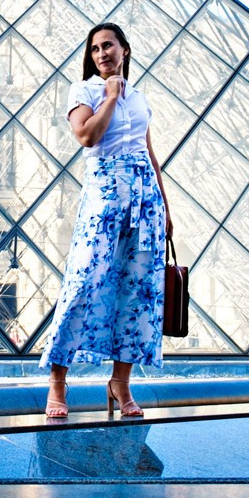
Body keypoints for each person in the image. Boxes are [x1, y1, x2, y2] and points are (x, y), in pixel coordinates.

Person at [38, 22, 173, 419]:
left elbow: (149, 154)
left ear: (125, 49)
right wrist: (110, 98)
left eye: (108, 46)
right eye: (95, 49)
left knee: (137, 293)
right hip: (104, 195)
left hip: (145, 200)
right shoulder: (85, 92)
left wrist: (165, 207)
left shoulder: (142, 99)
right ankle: (57, 383)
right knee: (83, 283)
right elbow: (86, 137)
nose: (102, 54)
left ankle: (120, 384)